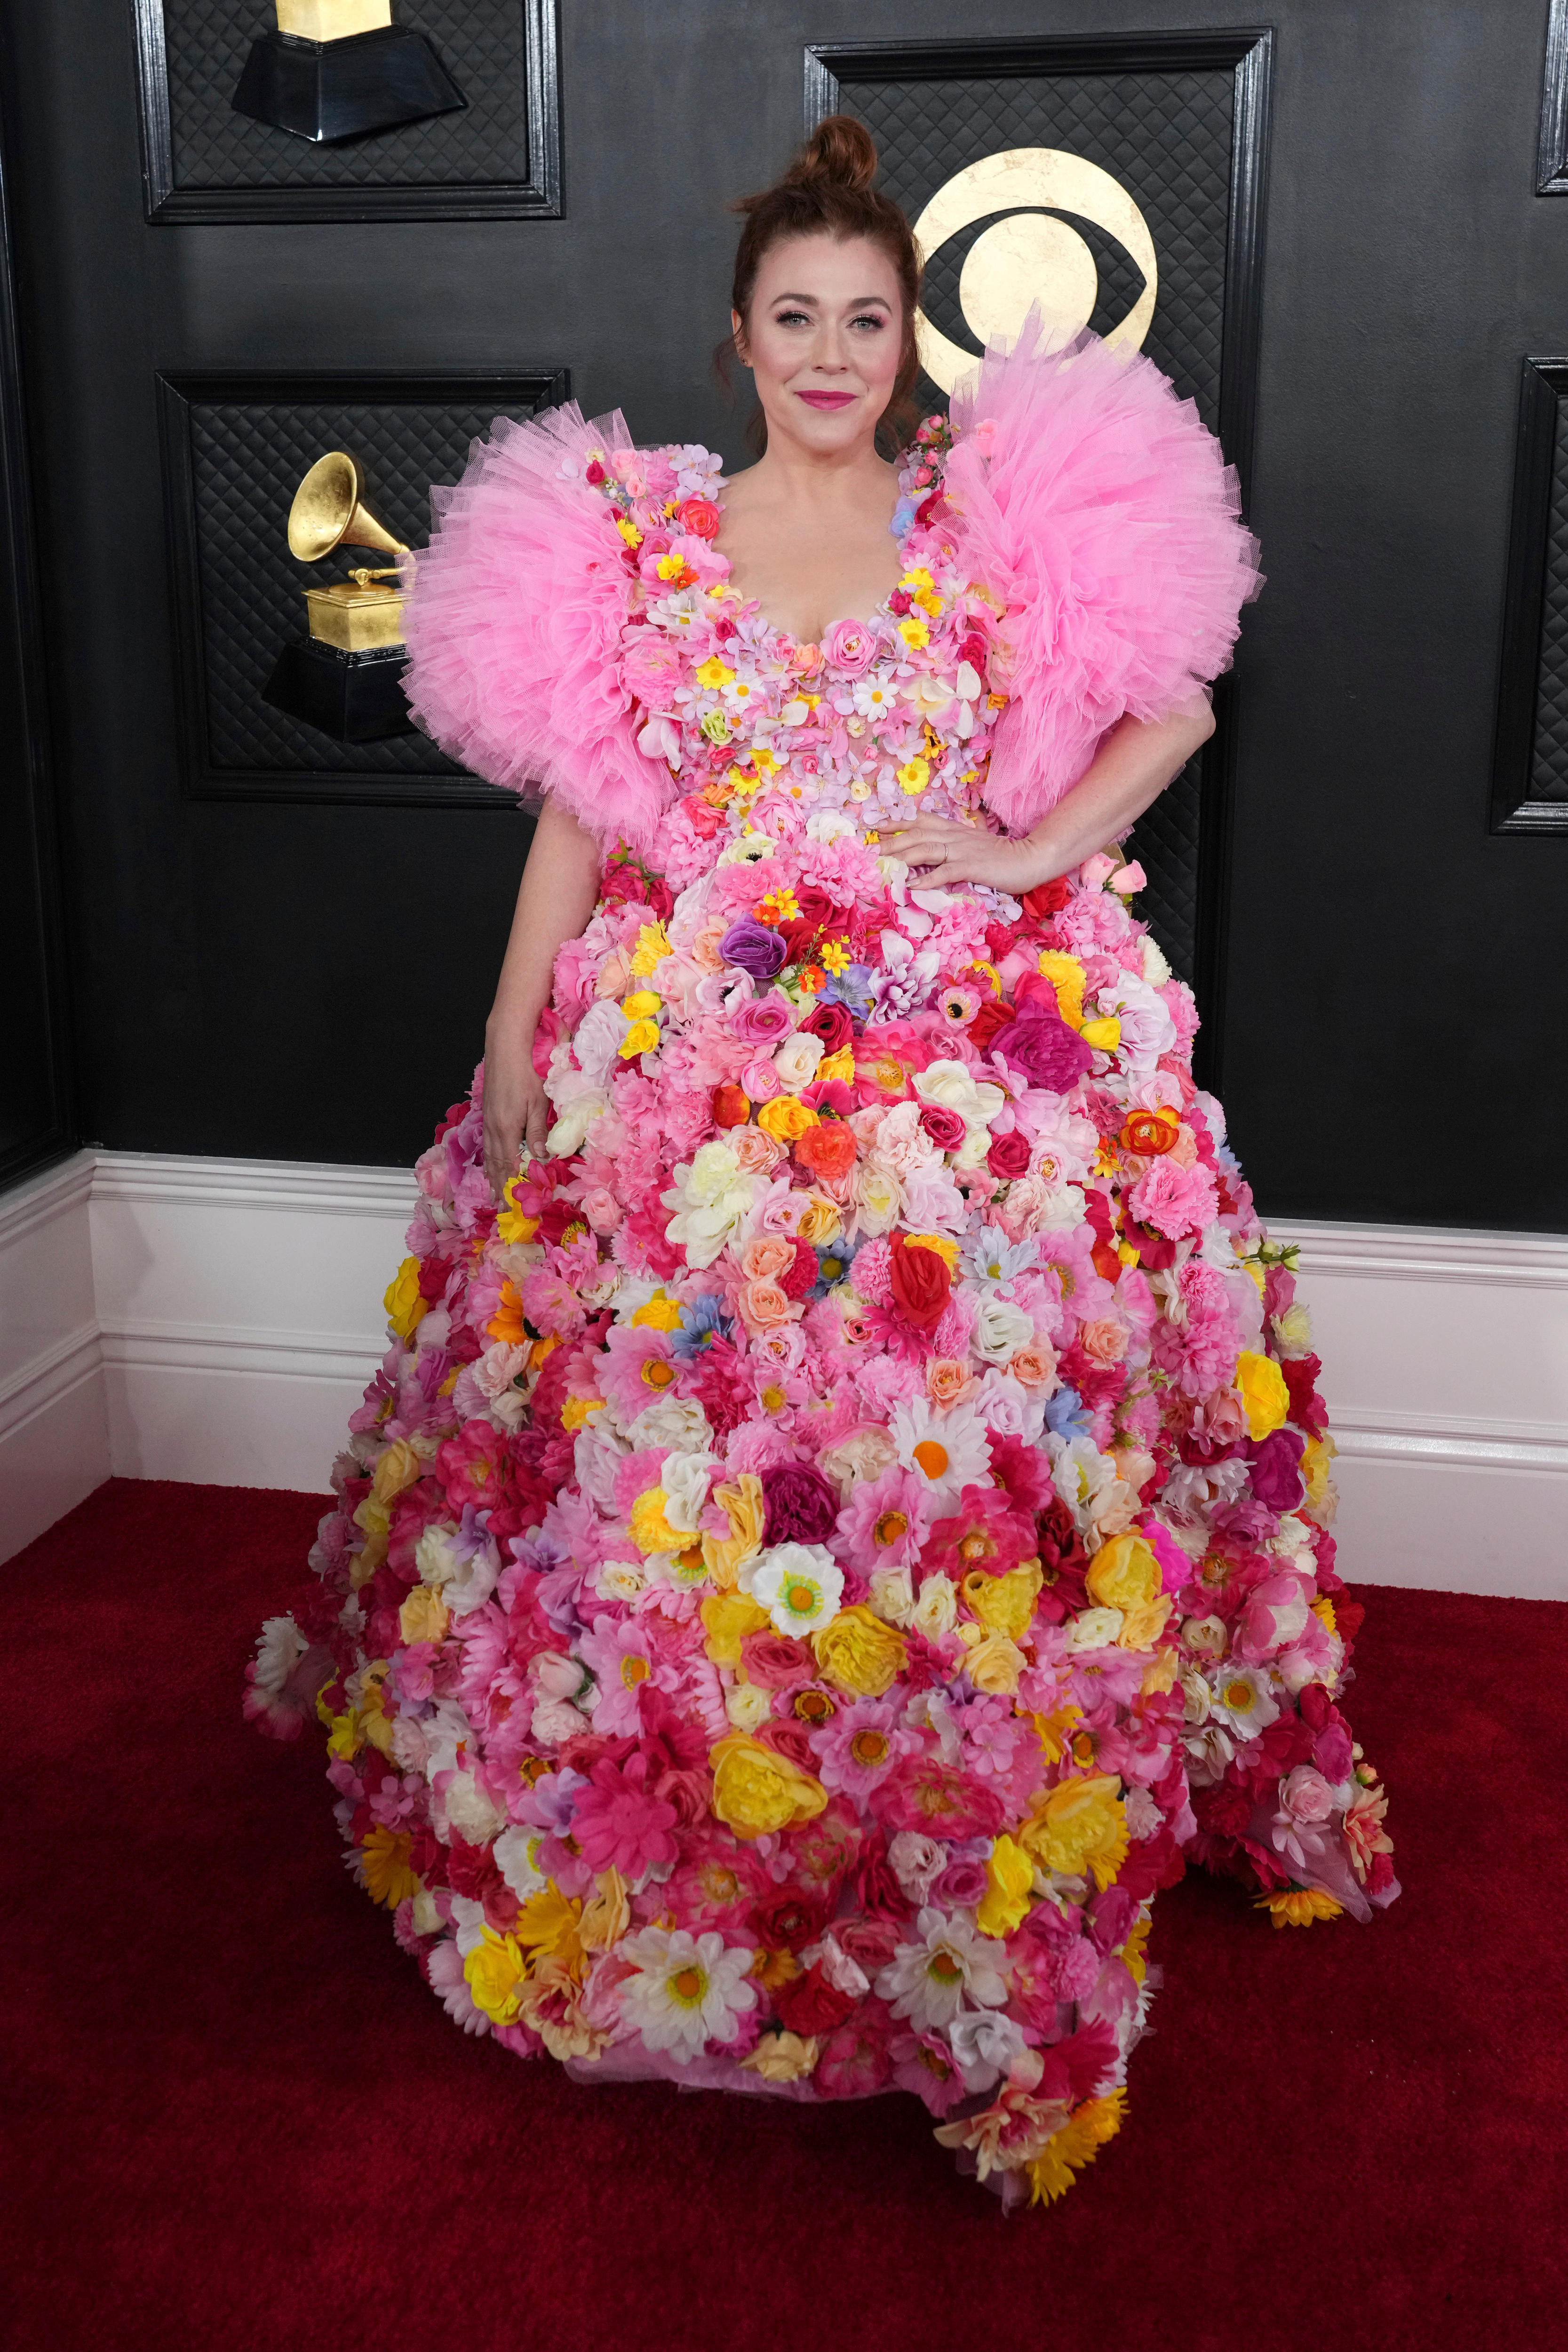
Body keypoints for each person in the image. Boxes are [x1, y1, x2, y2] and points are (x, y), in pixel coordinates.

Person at [247, 118, 1397, 2210]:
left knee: (968, 1325)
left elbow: (1182, 696)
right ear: (741, 340)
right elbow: (582, 812)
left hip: (949, 993)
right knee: (643, 1351)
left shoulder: (979, 521)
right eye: (800, 318)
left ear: (908, 338)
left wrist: (1044, 849)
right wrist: (515, 1019)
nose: (836, 351)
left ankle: (947, 1801)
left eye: (870, 318)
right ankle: (685, 1810)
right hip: (699, 998)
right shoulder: (647, 533)